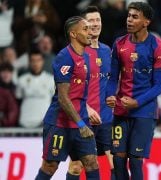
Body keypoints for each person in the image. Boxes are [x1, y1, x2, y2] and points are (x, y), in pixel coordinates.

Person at [106, 2, 161, 179]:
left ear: (146, 21)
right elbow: (112, 78)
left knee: (134, 160)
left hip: (144, 112)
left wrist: (137, 102)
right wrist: (110, 95)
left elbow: (159, 85)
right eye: (129, 16)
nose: (129, 20)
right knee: (118, 160)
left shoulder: (158, 46)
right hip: (120, 110)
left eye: (135, 17)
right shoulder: (119, 44)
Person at [35, 16, 100, 180]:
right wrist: (81, 125)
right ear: (73, 34)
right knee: (50, 166)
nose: (90, 32)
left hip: (81, 120)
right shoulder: (64, 57)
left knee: (91, 163)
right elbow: (63, 98)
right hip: (60, 123)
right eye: (85, 29)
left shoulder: (86, 56)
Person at [66, 6, 115, 180]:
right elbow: (67, 90)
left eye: (98, 20)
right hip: (83, 118)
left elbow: (113, 80)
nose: (95, 24)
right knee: (78, 165)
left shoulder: (108, 51)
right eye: (91, 21)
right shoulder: (76, 52)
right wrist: (86, 108)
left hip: (107, 118)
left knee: (115, 163)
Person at [15, 49, 54, 128]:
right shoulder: (21, 79)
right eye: (33, 60)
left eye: (38, 60)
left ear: (42, 61)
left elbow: (55, 101)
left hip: (43, 124)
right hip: (24, 123)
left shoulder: (51, 79)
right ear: (29, 62)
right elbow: (18, 99)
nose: (35, 63)